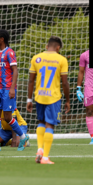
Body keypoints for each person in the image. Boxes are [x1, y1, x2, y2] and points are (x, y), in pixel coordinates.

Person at [27, 36, 70, 164]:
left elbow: (31, 80)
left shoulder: (36, 58)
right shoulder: (61, 59)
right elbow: (65, 83)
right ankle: (45, 157)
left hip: (39, 95)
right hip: (54, 97)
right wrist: (67, 100)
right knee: (49, 124)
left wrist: (29, 99)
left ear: (47, 46)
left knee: (41, 122)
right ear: (58, 48)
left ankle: (40, 149)